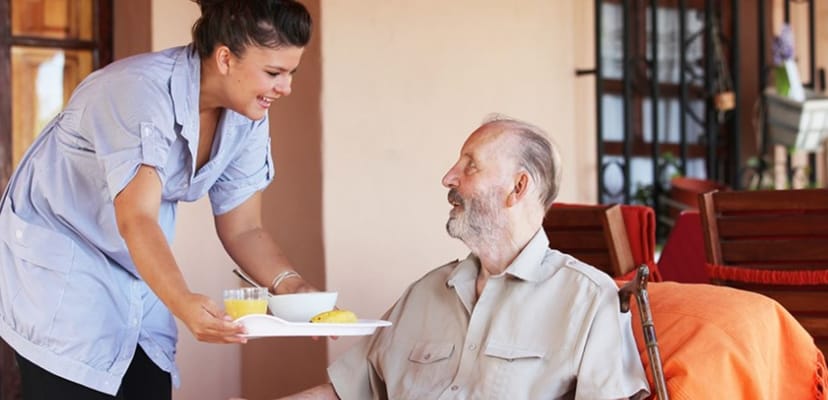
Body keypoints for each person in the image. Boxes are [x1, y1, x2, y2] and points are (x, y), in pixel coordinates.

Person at [0, 1, 317, 398]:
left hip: (136, 264)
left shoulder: (246, 113)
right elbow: (136, 217)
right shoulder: (137, 91)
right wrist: (183, 302)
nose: (285, 87)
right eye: (274, 73)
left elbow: (244, 227)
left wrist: (291, 287)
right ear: (225, 59)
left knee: (148, 383)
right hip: (63, 267)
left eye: (291, 73)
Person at [281, 116, 650, 399]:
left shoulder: (587, 300)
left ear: (517, 187)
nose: (448, 178)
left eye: (470, 166)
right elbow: (347, 393)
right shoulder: (424, 293)